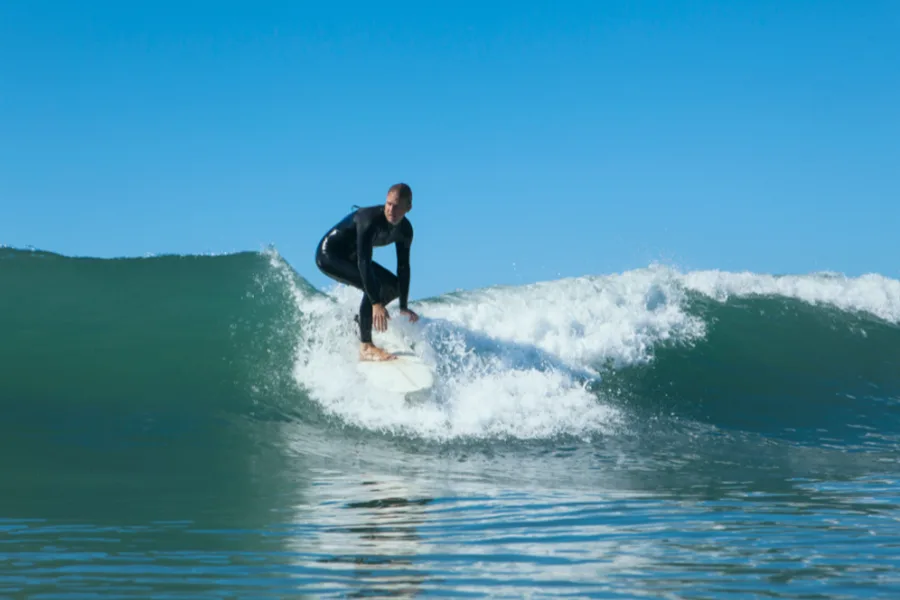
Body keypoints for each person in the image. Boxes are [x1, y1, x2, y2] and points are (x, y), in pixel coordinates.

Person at [315, 183, 420, 361]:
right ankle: (366, 346)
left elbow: (403, 266)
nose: (391, 210)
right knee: (374, 286)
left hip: (352, 255)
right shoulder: (368, 220)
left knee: (394, 286)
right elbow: (364, 262)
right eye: (388, 204)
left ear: (408, 207)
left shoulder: (405, 230)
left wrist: (403, 305)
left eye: (397, 206)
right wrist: (376, 303)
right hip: (330, 254)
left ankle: (360, 323)